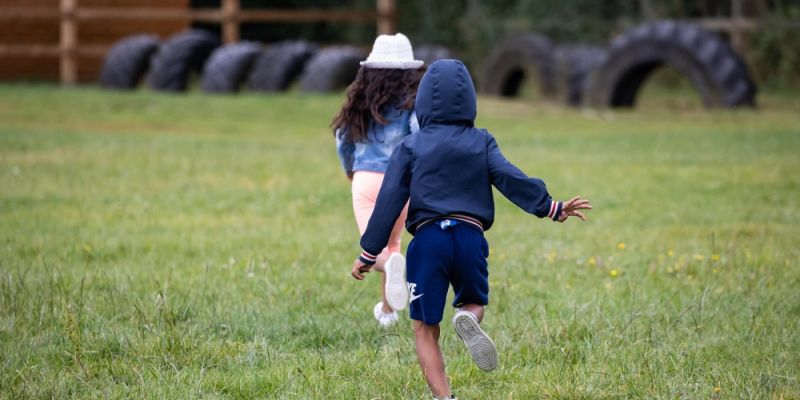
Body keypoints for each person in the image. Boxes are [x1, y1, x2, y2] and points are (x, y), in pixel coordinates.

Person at [350, 59, 592, 400]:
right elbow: (510, 177)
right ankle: (468, 318)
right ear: (469, 100)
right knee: (474, 300)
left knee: (424, 328)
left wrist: (369, 251)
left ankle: (444, 397)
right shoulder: (482, 141)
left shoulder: (411, 146)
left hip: (428, 242)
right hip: (469, 237)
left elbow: (389, 201)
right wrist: (550, 206)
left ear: (422, 102)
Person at [333, 33, 425, 327]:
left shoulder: (360, 100)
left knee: (375, 251)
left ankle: (391, 293)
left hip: (366, 181)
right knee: (392, 244)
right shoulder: (413, 102)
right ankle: (388, 312)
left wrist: (350, 169)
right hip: (402, 184)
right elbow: (419, 134)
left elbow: (342, 138)